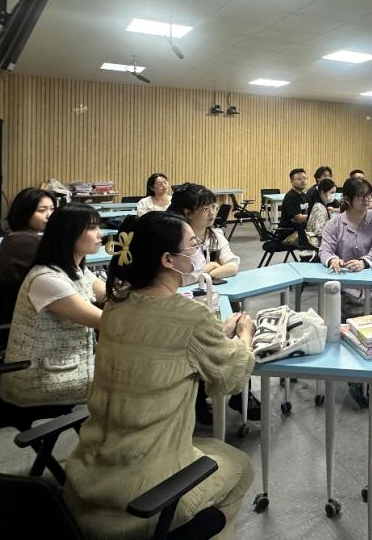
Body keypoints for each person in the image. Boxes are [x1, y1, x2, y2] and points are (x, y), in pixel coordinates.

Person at [64, 212, 256, 537]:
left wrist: (215, 336)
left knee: (209, 451)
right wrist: (245, 336)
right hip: (142, 498)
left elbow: (164, 347)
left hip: (85, 479)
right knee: (239, 467)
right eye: (193, 245)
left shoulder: (115, 306)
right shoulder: (191, 316)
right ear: (168, 259)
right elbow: (232, 377)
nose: (199, 252)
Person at [0, 203, 106, 407]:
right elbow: (107, 322)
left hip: (68, 365)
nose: (100, 234)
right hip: (44, 379)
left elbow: (109, 293)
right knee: (132, 379)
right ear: (69, 234)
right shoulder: (47, 279)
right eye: (92, 228)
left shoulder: (77, 270)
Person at [318, 176, 372, 409]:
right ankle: (356, 377)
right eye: (361, 196)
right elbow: (324, 250)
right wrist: (332, 259)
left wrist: (365, 261)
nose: (367, 200)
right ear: (347, 199)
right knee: (347, 326)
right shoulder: (334, 224)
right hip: (346, 290)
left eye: (369, 195)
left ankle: (371, 373)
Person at [170, 184, 240, 280]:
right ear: (188, 213)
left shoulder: (216, 234)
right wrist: (212, 266)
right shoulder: (176, 239)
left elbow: (232, 266)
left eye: (214, 206)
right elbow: (178, 279)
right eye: (205, 209)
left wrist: (206, 274)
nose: (212, 213)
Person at [0, 188, 55, 284]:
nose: (49, 215)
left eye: (52, 209)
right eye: (42, 210)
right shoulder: (29, 242)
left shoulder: (14, 237)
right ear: (24, 213)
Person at [306, 178, 337, 246]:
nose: (334, 195)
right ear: (322, 193)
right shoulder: (319, 208)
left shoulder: (322, 205)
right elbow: (320, 232)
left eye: (334, 192)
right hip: (316, 243)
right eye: (332, 192)